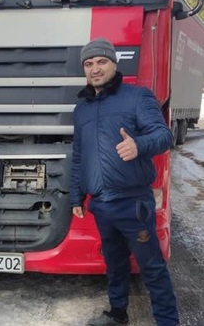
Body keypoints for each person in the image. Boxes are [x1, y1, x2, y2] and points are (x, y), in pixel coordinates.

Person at [70, 38, 178, 326]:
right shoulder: (81, 110)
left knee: (152, 267)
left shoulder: (137, 97)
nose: (95, 68)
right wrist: (75, 197)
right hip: (101, 205)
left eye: (101, 61)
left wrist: (139, 145)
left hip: (133, 204)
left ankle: (168, 321)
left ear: (114, 64)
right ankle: (117, 315)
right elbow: (79, 157)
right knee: (114, 265)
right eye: (89, 64)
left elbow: (164, 136)